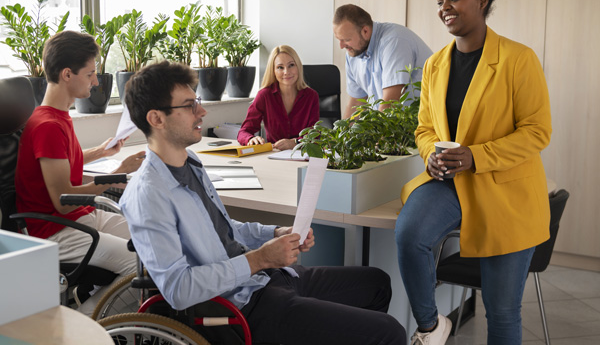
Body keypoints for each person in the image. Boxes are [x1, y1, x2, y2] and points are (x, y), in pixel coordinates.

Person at [120, 60, 407, 345]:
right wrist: (259, 259)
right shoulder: (148, 195)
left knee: (376, 284)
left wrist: (273, 234)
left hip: (265, 277)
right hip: (243, 305)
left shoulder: (190, 162)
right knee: (389, 332)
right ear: (156, 119)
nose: (202, 111)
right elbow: (179, 289)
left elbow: (222, 230)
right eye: (189, 105)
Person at [394, 0, 552, 345]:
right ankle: (431, 326)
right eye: (439, 1)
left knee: (501, 312)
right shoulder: (435, 65)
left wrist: (476, 156)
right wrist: (431, 153)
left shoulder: (518, 59)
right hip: (451, 183)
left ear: (482, 0)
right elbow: (425, 127)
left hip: (505, 190)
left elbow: (537, 131)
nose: (445, 8)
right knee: (409, 234)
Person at [15, 31, 145, 315]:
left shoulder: (58, 115)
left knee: (150, 241)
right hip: (54, 230)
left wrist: (101, 152)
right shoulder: (48, 124)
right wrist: (119, 172)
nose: (96, 81)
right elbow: (63, 199)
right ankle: (85, 328)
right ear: (67, 74)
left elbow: (64, 164)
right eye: (91, 74)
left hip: (77, 217)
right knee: (139, 267)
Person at [332, 4, 432, 119]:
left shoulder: (394, 41)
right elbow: (356, 103)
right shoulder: (353, 51)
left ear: (365, 31)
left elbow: (390, 103)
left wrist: (378, 136)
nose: (341, 46)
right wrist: (342, 135)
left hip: (425, 123)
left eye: (346, 40)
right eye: (339, 40)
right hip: (398, 124)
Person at [237, 45, 319, 150]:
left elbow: (315, 135)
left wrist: (294, 142)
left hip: (303, 155)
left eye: (291, 65)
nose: (286, 72)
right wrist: (250, 139)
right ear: (273, 71)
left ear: (298, 66)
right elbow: (244, 131)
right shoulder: (264, 95)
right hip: (274, 155)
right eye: (280, 67)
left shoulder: (311, 96)